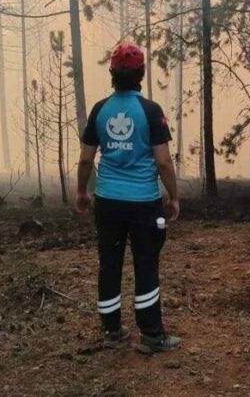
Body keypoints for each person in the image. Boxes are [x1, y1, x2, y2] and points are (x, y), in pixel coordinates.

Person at [76, 43, 181, 354]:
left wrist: (82, 192)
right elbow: (163, 162)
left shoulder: (100, 110)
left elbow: (85, 160)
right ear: (141, 74)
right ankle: (152, 336)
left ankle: (111, 329)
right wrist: (174, 196)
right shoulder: (150, 111)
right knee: (146, 264)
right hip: (143, 203)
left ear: (111, 73)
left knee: (109, 262)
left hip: (107, 200)